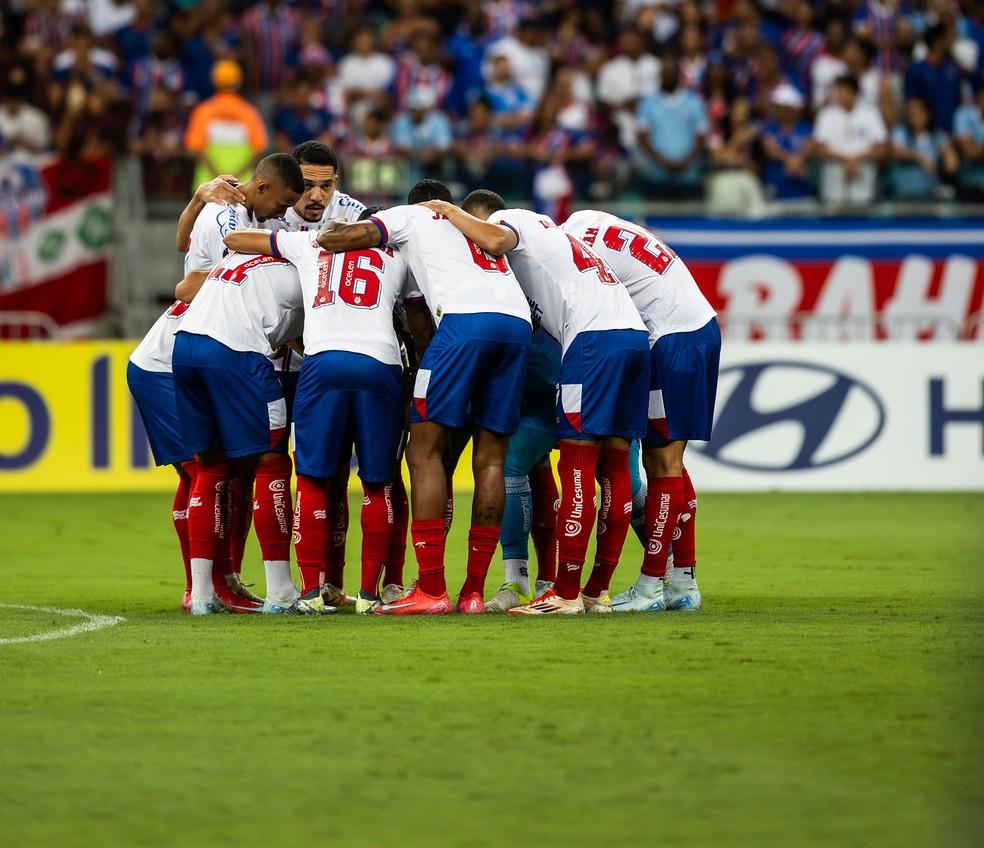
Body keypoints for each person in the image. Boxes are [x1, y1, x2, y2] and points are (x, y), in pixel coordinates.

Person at [315, 179, 532, 615]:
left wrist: (327, 227)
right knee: (492, 458)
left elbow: (340, 238)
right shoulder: (466, 224)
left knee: (424, 452)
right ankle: (472, 592)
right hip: (517, 324)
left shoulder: (407, 217)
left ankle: (431, 588)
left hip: (463, 326)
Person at [426, 191, 649, 615]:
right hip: (630, 339)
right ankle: (595, 590)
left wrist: (449, 212)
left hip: (591, 347)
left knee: (579, 471)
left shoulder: (514, 226)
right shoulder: (550, 246)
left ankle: (562, 593)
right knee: (619, 474)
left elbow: (493, 239)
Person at [225, 210, 410, 615]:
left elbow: (238, 240)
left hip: (322, 361)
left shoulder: (309, 243)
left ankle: (310, 593)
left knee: (311, 479)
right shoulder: (399, 256)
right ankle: (369, 595)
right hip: (380, 363)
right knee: (379, 482)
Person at [563, 210, 720, 612]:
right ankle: (683, 581)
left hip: (669, 339)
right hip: (697, 327)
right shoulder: (589, 221)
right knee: (672, 461)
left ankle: (651, 585)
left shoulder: (566, 249)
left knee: (661, 460)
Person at [171, 154, 307, 616]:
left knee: (211, 469)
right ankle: (281, 590)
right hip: (235, 353)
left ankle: (204, 594)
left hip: (185, 347)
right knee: (271, 464)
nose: (286, 214)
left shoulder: (240, 257)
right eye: (286, 202)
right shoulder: (307, 269)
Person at [484, 328, 561, 612]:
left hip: (582, 366)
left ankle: (665, 575)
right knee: (520, 462)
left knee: (621, 471)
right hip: (533, 390)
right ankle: (526, 582)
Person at [183, 60, 268, 189]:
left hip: (208, 187)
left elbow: (194, 149)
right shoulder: (249, 112)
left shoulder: (204, 111)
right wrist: (235, 177)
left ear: (214, 81)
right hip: (242, 186)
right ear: (239, 82)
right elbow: (260, 150)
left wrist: (218, 176)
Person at [634, 55, 709, 199]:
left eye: (671, 72)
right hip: (657, 177)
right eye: (664, 72)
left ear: (678, 74)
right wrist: (662, 161)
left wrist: (685, 161)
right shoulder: (648, 104)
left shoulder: (694, 102)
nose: (668, 76)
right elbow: (642, 138)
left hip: (688, 178)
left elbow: (701, 137)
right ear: (660, 75)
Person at [813, 74, 887, 206]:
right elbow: (819, 148)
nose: (839, 95)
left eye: (843, 91)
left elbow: (881, 148)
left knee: (863, 217)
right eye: (838, 91)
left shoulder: (870, 114)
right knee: (833, 217)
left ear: (854, 93)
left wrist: (856, 159)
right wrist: (846, 160)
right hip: (835, 179)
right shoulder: (827, 115)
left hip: (863, 174)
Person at [890, 97, 958, 200]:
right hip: (902, 197)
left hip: (930, 196)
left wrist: (949, 160)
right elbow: (896, 151)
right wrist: (920, 158)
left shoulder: (938, 136)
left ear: (928, 114)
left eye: (917, 113)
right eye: (910, 114)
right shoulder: (900, 133)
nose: (913, 117)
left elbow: (951, 161)